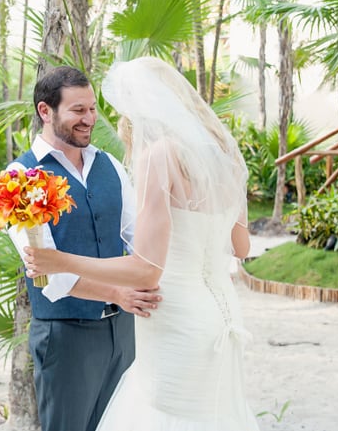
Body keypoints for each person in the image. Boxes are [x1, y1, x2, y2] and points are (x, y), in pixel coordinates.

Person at [23, 56, 260, 431]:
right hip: (220, 313)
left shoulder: (153, 158)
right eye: (80, 109)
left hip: (174, 313)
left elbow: (147, 266)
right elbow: (241, 247)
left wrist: (61, 261)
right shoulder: (224, 155)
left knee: (165, 415)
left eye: (101, 108)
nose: (99, 119)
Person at [8, 65, 161, 431]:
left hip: (125, 331)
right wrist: (116, 292)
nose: (89, 119)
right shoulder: (19, 179)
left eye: (92, 109)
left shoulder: (110, 165)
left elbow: (138, 238)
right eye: (78, 110)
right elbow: (45, 273)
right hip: (67, 337)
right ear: (46, 111)